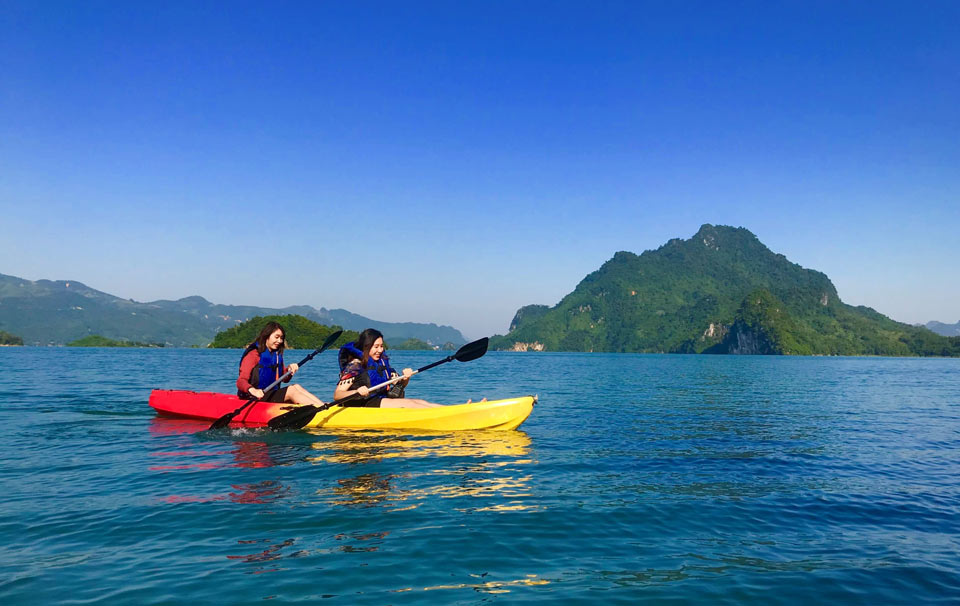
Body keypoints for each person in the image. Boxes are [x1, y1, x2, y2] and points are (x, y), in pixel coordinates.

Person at [334, 328, 441, 408]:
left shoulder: (382, 363)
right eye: (376, 347)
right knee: (410, 404)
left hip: (380, 400)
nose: (380, 350)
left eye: (381, 346)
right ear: (366, 347)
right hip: (363, 404)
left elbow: (399, 385)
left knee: (421, 402)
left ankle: (449, 411)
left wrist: (406, 378)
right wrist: (356, 392)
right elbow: (337, 395)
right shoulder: (355, 366)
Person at [237, 321, 326, 406]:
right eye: (277, 337)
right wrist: (253, 390)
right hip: (254, 397)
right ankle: (321, 410)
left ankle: (323, 407)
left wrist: (289, 370)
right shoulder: (253, 354)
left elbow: (284, 379)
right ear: (266, 336)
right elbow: (241, 381)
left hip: (269, 394)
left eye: (281, 338)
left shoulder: (276, 354)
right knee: (291, 391)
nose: (279, 341)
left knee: (296, 386)